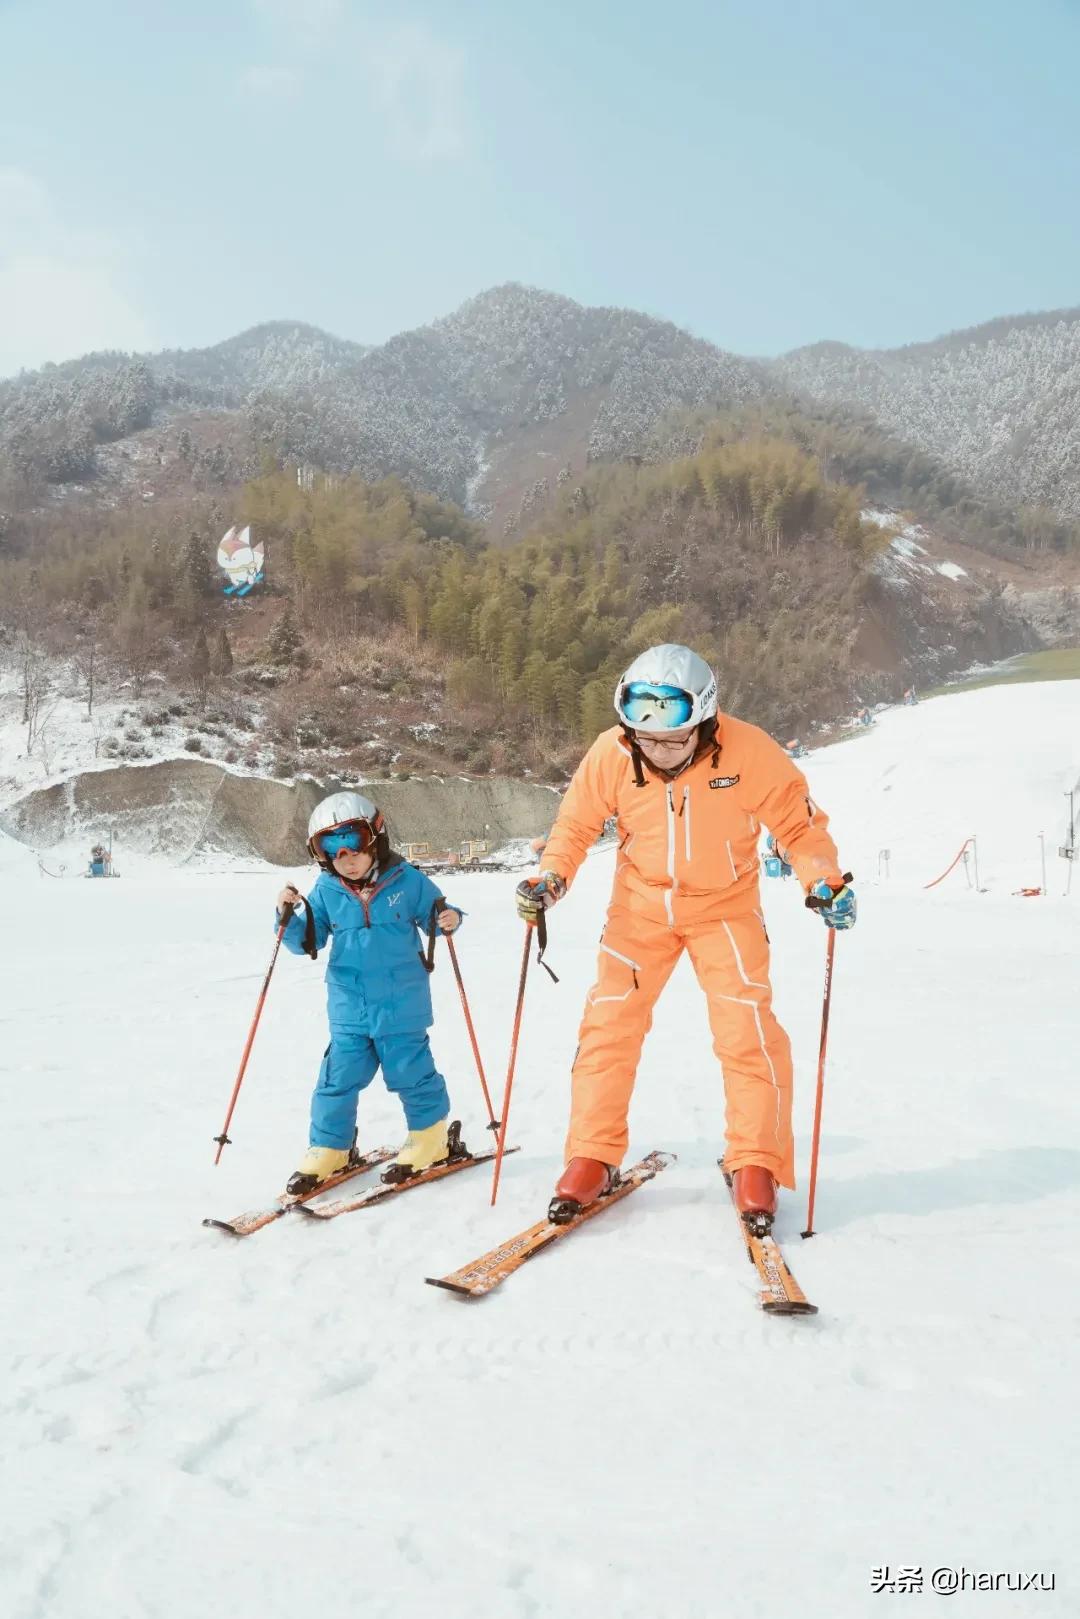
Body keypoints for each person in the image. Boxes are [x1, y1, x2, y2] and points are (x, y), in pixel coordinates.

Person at [515, 644, 855, 1231]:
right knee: (608, 1029)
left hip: (725, 909)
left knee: (747, 1034)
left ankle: (755, 1160)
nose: (660, 752)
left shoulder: (750, 751)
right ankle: (592, 1153)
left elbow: (799, 825)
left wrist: (823, 881)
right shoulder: (612, 752)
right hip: (639, 907)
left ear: (704, 719)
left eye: (673, 741)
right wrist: (552, 876)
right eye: (646, 740)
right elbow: (575, 823)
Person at [276, 791, 464, 1195]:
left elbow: (437, 913)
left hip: (402, 1002)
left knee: (410, 1073)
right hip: (349, 1006)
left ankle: (430, 1137)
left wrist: (448, 919)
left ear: (375, 837)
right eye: (331, 847)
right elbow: (309, 941)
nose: (346, 854)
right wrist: (288, 918)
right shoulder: (326, 891)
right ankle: (330, 1147)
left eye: (354, 840)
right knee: (337, 1078)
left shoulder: (407, 880)